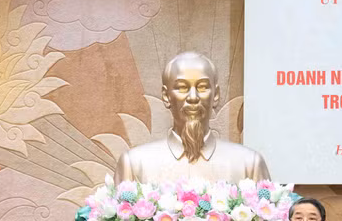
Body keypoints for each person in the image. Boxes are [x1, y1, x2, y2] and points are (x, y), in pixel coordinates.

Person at [114, 51, 271, 185]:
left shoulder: (249, 164)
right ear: (166, 96)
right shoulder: (134, 164)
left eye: (202, 87)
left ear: (215, 95)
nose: (193, 97)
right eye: (182, 87)